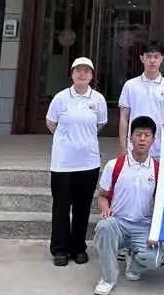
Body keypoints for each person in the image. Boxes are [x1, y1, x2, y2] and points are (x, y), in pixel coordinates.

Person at [45, 56, 108, 267]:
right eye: (78, 70)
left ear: (92, 75)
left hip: (88, 162)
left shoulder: (98, 99)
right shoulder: (61, 98)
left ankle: (78, 248)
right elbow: (51, 123)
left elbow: (100, 124)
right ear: (71, 74)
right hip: (63, 163)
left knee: (82, 207)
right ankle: (60, 249)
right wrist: (67, 140)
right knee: (61, 207)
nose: (82, 74)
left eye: (86, 71)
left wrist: (83, 140)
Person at [94, 116, 164, 295]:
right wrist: (105, 210)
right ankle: (108, 278)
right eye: (138, 134)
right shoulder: (115, 165)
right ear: (130, 138)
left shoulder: (158, 169)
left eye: (147, 135)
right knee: (104, 226)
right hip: (118, 223)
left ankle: (133, 263)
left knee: (155, 259)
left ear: (153, 140)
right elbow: (102, 197)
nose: (142, 139)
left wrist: (156, 231)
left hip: (143, 225)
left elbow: (161, 204)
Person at [118, 40, 164, 160]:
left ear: (162, 58)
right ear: (142, 58)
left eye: (156, 57)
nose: (152, 61)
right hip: (133, 148)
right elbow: (124, 118)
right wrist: (122, 147)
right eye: (148, 56)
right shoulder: (130, 85)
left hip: (160, 148)